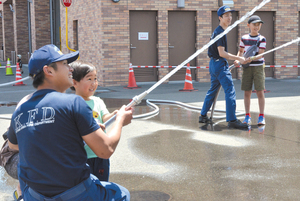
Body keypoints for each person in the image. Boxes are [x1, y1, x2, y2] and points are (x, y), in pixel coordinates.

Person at [7, 44, 133, 201]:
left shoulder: (21, 108)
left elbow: (14, 146)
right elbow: (105, 150)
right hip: (76, 193)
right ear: (49, 71)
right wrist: (120, 120)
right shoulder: (73, 103)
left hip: (35, 195)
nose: (70, 69)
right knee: (121, 194)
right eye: (65, 64)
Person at [198, 5, 248, 129]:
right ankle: (232, 119)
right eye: (226, 16)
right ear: (220, 18)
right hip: (219, 64)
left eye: (230, 15)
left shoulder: (219, 31)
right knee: (230, 90)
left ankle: (203, 115)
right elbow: (222, 53)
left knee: (213, 90)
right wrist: (239, 58)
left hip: (214, 64)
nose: (229, 18)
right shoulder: (220, 32)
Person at [70, 61, 117, 182]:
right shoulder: (71, 103)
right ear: (74, 82)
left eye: (95, 78)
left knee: (102, 184)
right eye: (89, 79)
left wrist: (115, 115)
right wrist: (92, 127)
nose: (94, 83)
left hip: (100, 154)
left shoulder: (98, 101)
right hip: (82, 156)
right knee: (85, 185)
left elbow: (105, 117)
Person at [234, 15, 266, 125]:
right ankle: (247, 116)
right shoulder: (244, 38)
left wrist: (251, 58)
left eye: (259, 24)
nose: (256, 27)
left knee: (260, 91)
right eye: (254, 24)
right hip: (247, 68)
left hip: (258, 68)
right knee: (247, 92)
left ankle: (261, 116)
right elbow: (241, 51)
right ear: (248, 25)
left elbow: (261, 54)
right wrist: (238, 59)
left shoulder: (262, 39)